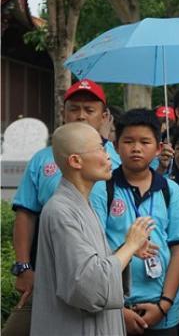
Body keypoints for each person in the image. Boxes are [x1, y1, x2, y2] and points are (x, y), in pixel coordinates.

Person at [3, 79, 121, 336]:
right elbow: (26, 214)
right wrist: (24, 267)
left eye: (89, 110)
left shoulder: (115, 160)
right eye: (74, 108)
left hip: (102, 275)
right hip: (51, 269)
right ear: (63, 112)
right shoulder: (42, 159)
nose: (81, 115)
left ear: (104, 115)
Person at [30, 122, 154, 336]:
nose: (108, 156)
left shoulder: (83, 204)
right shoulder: (61, 211)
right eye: (100, 149)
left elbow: (92, 266)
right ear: (75, 161)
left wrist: (127, 250)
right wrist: (130, 245)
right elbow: (89, 285)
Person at [91, 109, 179, 335]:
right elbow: (94, 250)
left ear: (158, 148)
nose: (136, 148)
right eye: (128, 141)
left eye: (145, 142)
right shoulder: (102, 188)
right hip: (114, 308)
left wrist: (164, 305)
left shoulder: (170, 190)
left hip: (163, 311)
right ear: (116, 146)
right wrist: (117, 308)